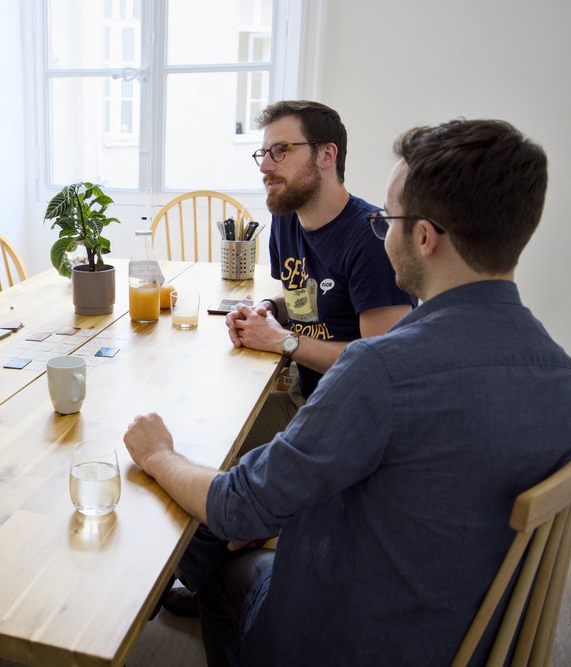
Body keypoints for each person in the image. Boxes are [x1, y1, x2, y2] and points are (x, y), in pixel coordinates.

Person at [124, 118, 571, 665]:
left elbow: (237, 506)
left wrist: (159, 455)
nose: (380, 231)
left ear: (425, 237)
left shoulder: (382, 369)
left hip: (350, 641)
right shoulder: (558, 371)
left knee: (215, 547)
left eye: (388, 219)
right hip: (480, 637)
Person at [226, 100, 415, 456]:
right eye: (263, 153)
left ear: (327, 155)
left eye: (281, 150)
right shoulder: (286, 217)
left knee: (216, 466)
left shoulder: (373, 239)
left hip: (357, 427)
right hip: (309, 401)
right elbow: (312, 302)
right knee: (209, 437)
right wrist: (268, 311)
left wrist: (283, 342)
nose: (265, 166)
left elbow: (382, 365)